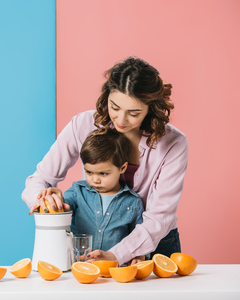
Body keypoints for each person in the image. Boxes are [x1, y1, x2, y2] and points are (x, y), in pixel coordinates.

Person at [22, 56, 188, 266]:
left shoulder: (173, 144)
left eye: (134, 113)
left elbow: (159, 218)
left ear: (150, 108)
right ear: (106, 97)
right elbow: (39, 180)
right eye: (115, 107)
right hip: (94, 242)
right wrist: (46, 201)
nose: (120, 120)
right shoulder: (83, 125)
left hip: (153, 245)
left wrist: (120, 254)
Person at [37, 129, 145, 263]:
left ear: (122, 168)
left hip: (114, 271)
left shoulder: (133, 202)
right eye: (89, 172)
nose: (95, 180)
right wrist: (57, 199)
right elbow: (63, 207)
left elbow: (139, 237)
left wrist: (139, 255)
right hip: (79, 268)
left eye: (103, 174)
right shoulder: (77, 191)